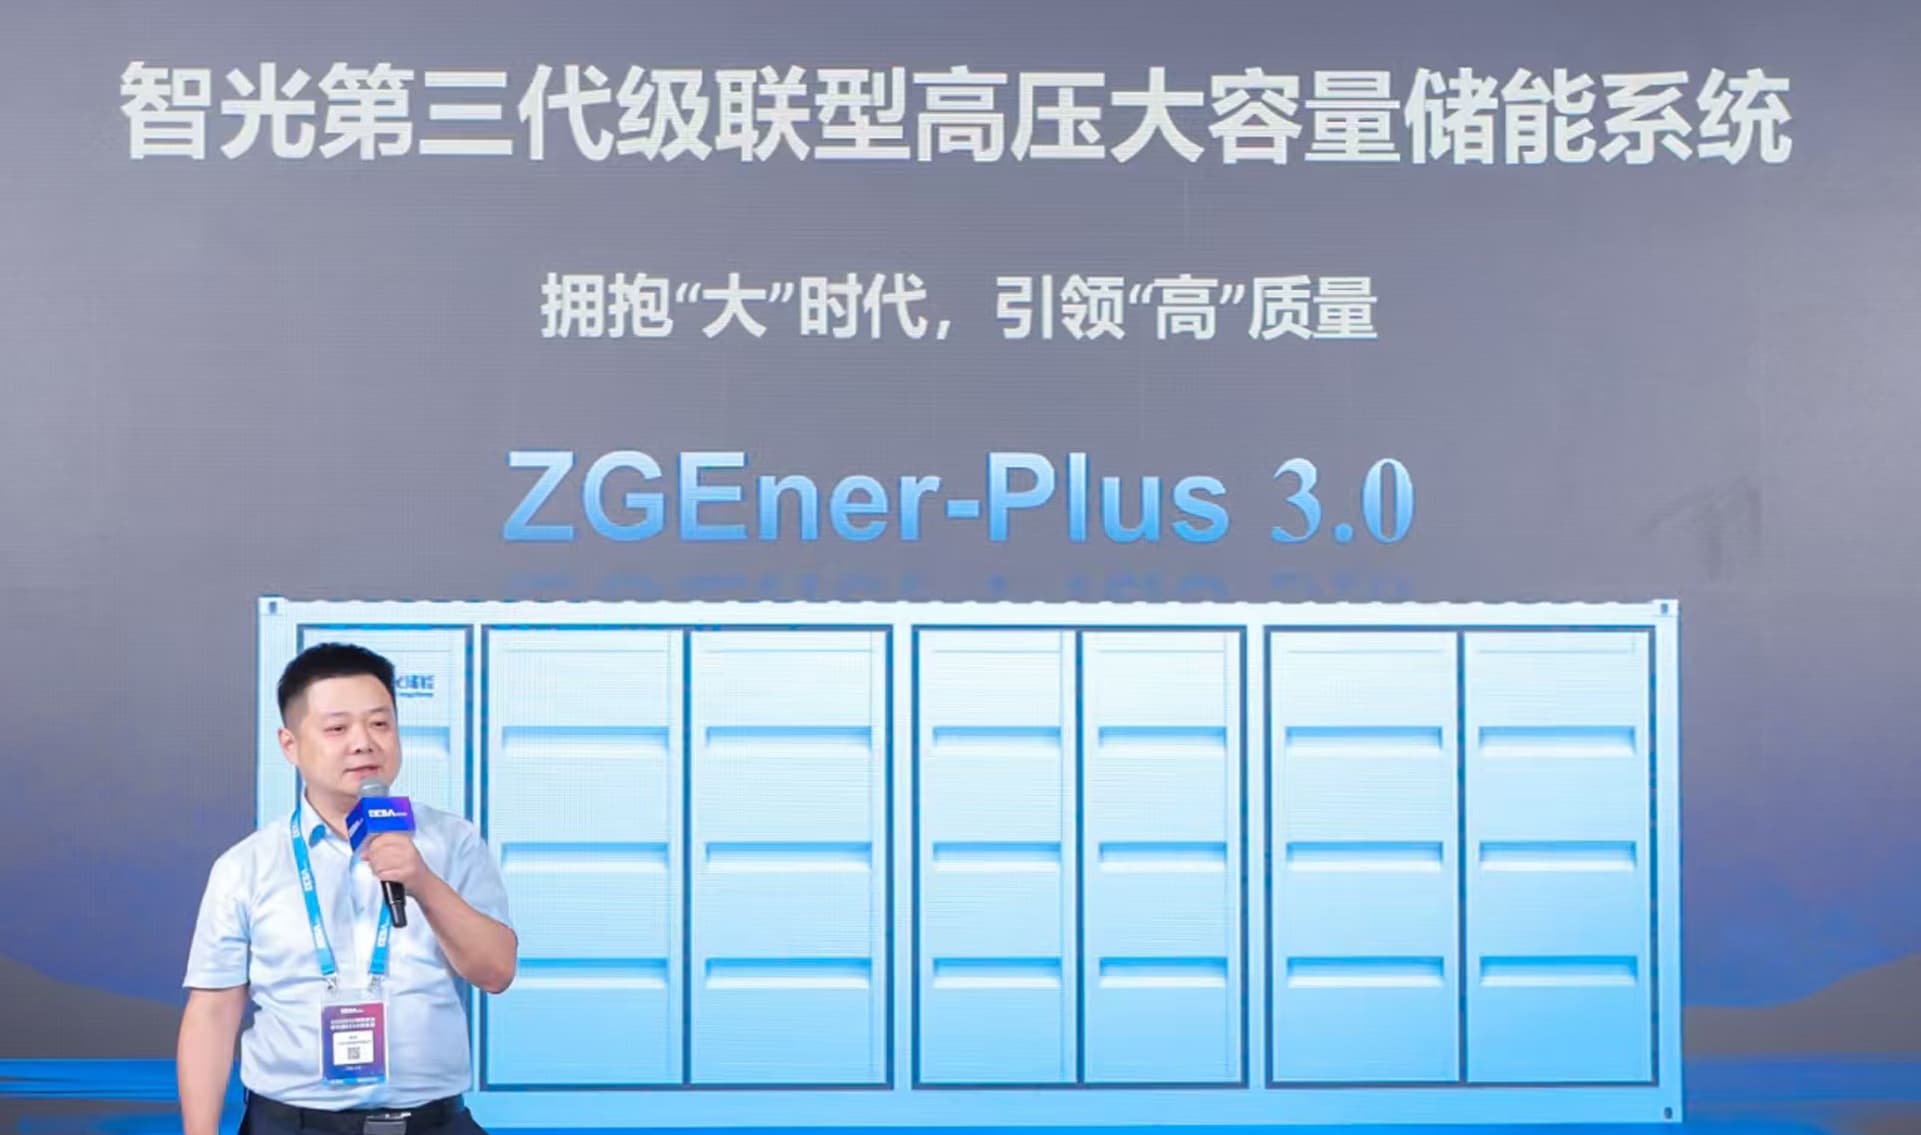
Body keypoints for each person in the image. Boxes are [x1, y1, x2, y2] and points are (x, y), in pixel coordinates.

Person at [178, 643, 517, 1135]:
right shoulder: (246, 865)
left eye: (380, 724)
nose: (364, 742)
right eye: (337, 728)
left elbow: (496, 972)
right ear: (290, 745)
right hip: (291, 1126)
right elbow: (211, 1014)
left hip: (433, 1124)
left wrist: (423, 882)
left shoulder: (453, 842)